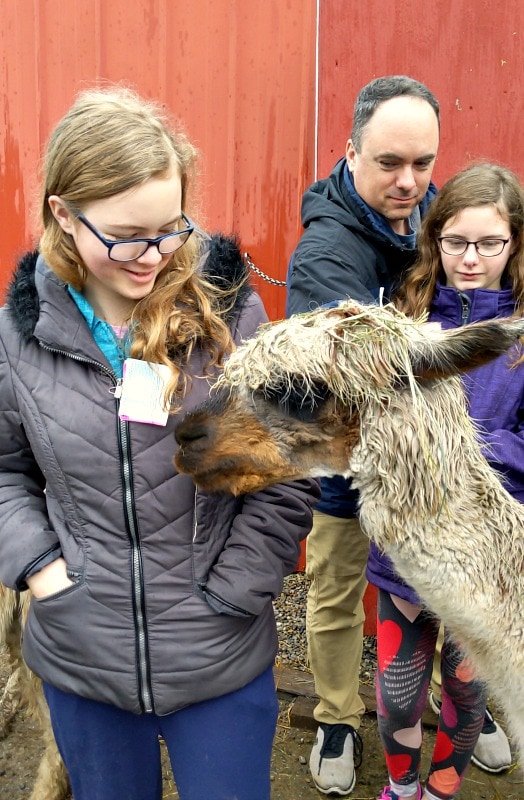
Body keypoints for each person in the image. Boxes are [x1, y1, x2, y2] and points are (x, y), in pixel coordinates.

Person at [0, 86, 320, 800]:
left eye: (170, 228)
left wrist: (235, 589)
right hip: (84, 660)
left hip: (221, 658)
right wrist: (42, 571)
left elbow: (286, 461)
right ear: (62, 212)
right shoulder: (17, 337)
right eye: (125, 236)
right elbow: (3, 472)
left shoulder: (230, 313)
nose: (153, 256)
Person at [286, 75, 440, 796]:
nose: (409, 182)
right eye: (389, 164)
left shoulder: (438, 221)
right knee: (340, 585)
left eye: (422, 164)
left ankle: (435, 695)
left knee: (429, 582)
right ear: (350, 152)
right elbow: (349, 380)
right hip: (345, 459)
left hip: (423, 464)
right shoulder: (326, 253)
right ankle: (338, 717)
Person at [370, 161, 524, 800]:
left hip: (486, 559)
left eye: (490, 243)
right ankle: (401, 788)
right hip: (402, 550)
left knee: (466, 690)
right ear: (434, 238)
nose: (471, 258)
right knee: (398, 694)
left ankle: (440, 790)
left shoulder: (519, 334)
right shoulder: (401, 318)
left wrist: (470, 459)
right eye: (455, 241)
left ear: (514, 243)